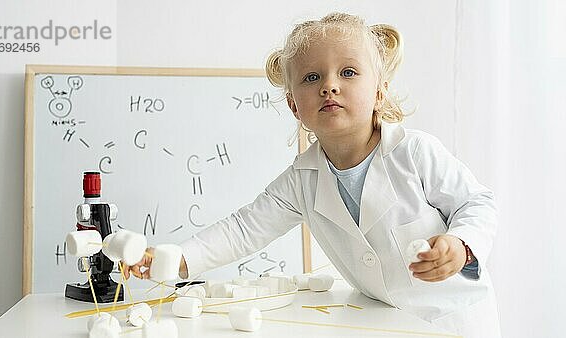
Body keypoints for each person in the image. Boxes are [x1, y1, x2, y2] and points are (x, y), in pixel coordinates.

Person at [124, 12, 501, 337]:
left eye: (348, 72)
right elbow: (242, 230)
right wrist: (175, 257)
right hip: (385, 322)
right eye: (311, 78)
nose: (329, 86)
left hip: (453, 321)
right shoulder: (302, 179)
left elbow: (477, 202)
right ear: (293, 106)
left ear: (380, 92)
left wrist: (460, 244)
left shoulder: (414, 152)